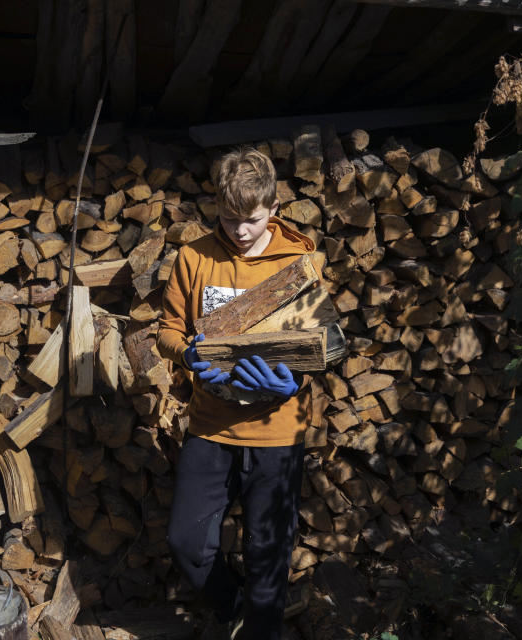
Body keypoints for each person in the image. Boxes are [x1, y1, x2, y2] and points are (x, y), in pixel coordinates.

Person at [157, 147, 318, 640]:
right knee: (186, 541)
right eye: (228, 218)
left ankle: (263, 629)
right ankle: (233, 610)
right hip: (210, 425)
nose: (239, 231)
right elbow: (167, 330)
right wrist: (187, 356)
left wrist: (296, 381)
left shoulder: (298, 260)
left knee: (268, 552)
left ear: (273, 208)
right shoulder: (194, 257)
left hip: (277, 430)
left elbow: (319, 344)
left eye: (250, 219)